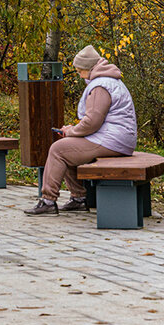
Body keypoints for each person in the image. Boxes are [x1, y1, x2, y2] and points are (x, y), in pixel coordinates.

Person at [24, 44, 137, 216]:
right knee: (68, 148)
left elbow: (92, 122)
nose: (78, 73)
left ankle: (48, 201)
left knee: (58, 149)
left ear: (89, 68)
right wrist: (73, 131)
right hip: (118, 139)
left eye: (79, 70)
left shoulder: (101, 86)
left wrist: (70, 131)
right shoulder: (111, 81)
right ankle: (78, 199)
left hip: (112, 140)